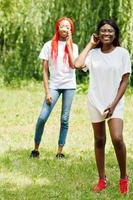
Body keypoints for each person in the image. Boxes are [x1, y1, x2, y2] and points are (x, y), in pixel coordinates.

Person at [74, 19, 131, 194]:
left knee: (117, 138)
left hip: (114, 102)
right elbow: (77, 64)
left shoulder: (122, 53)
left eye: (110, 31)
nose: (106, 34)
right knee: (99, 140)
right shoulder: (93, 54)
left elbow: (125, 80)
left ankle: (123, 177)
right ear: (98, 34)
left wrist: (113, 104)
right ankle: (102, 179)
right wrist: (91, 44)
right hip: (95, 101)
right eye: (103, 31)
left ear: (115, 34)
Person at [30, 17, 78, 159]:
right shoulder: (48, 46)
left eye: (68, 27)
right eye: (62, 26)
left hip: (69, 86)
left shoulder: (74, 47)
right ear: (58, 28)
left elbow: (73, 64)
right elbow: (45, 71)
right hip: (54, 86)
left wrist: (69, 45)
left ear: (71, 30)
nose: (65, 28)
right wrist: (47, 91)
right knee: (42, 117)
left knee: (64, 119)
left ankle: (59, 151)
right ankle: (36, 149)